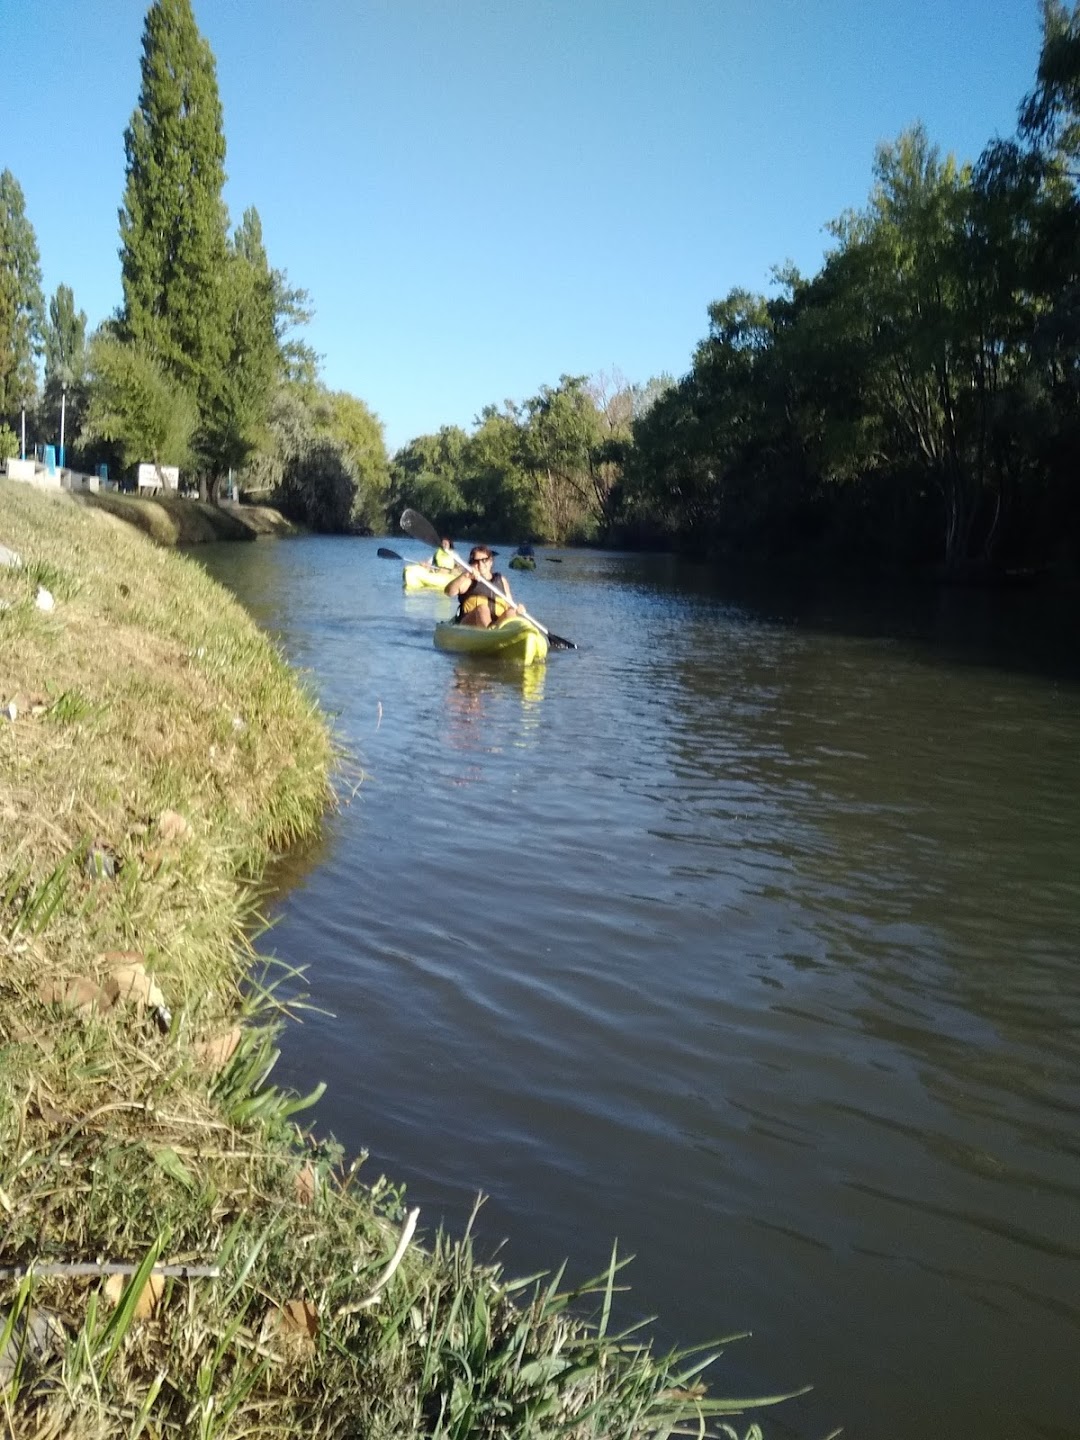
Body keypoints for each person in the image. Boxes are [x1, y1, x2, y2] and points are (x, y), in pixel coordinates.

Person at [444, 546, 519, 627]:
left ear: (490, 562)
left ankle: (505, 634)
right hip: (469, 625)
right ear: (471, 563)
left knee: (511, 612)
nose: (480, 564)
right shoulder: (468, 580)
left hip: (496, 625)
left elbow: (510, 605)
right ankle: (489, 634)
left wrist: (517, 610)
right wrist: (465, 575)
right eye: (476, 561)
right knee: (482, 609)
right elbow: (448, 592)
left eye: (484, 560)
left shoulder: (501, 580)